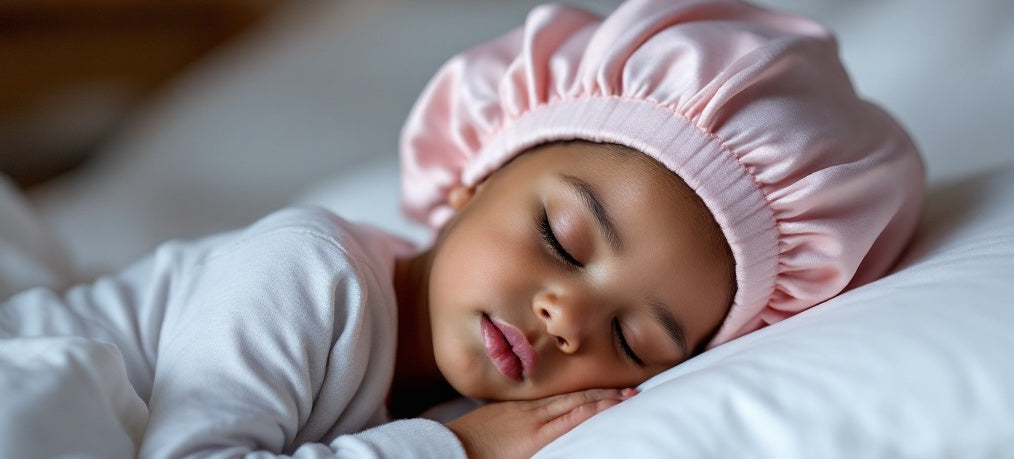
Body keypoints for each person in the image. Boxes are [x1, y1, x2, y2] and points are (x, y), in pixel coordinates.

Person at [0, 0, 924, 457]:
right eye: (563, 238)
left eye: (635, 336)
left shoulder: (448, 382)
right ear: (478, 169)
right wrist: (459, 447)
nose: (568, 312)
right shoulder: (307, 274)